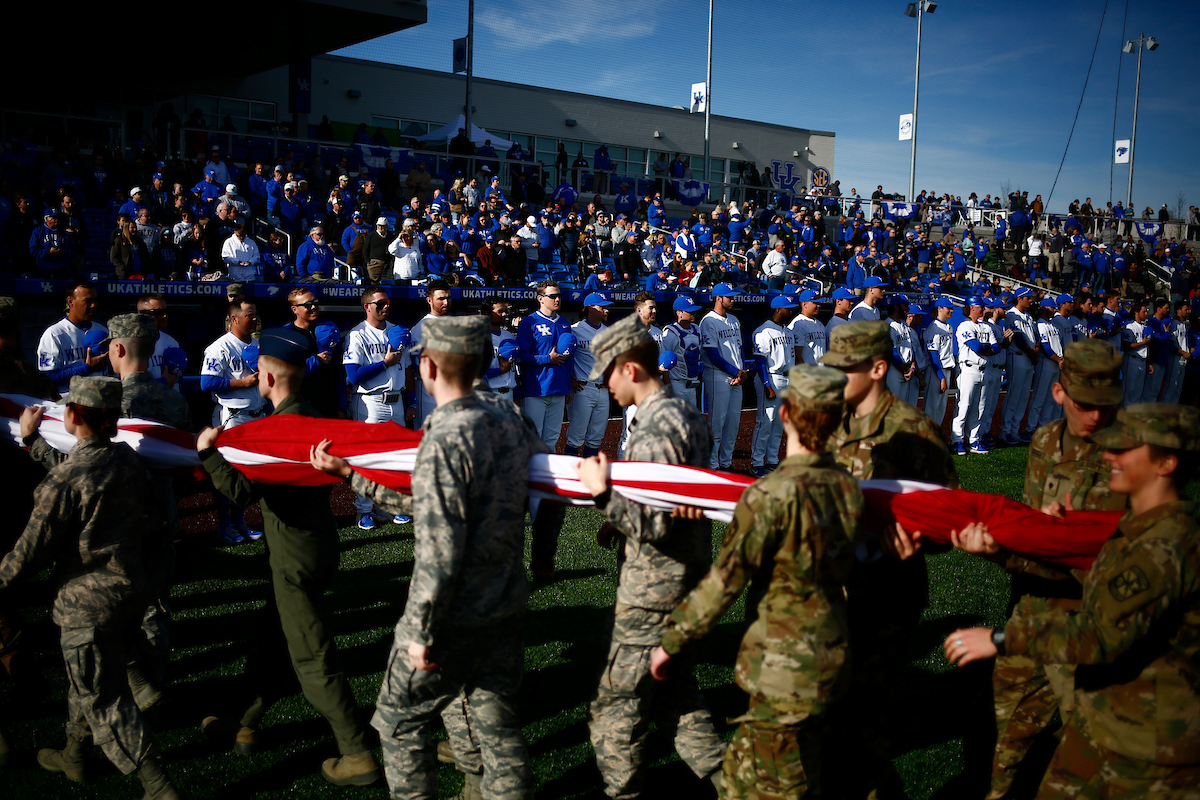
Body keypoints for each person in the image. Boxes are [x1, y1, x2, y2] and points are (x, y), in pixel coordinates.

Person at [312, 316, 542, 799]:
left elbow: (440, 542)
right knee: (494, 726)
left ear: (429, 365)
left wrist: (420, 630)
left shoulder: (446, 434)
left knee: (396, 722)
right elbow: (543, 490)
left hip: (454, 613)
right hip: (505, 599)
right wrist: (353, 476)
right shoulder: (510, 417)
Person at [945, 403, 1200, 799]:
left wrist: (998, 639)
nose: (1109, 455)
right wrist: (1009, 549)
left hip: (1149, 748)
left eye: (1125, 449)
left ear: (1166, 463)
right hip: (1106, 724)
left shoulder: (1165, 545)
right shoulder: (1136, 528)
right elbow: (1085, 574)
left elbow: (1099, 635)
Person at [651, 365, 863, 799]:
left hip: (784, 661)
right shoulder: (848, 485)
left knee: (776, 783)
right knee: (800, 764)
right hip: (836, 646)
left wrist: (671, 641)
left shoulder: (770, 494)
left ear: (785, 415)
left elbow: (726, 580)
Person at [197, 328, 381, 787]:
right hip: (316, 545)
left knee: (313, 658)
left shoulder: (276, 431)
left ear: (266, 375)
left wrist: (208, 453)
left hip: (293, 555)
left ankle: (356, 752)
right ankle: (245, 722)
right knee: (274, 638)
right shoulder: (313, 418)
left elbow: (241, 491)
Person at [956, 340, 1128, 799]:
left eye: (1106, 405)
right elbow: (1037, 532)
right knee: (997, 737)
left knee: (1105, 756)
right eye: (1084, 405)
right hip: (1033, 612)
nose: (1095, 417)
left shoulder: (1133, 454)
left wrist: (1006, 550)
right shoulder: (1047, 441)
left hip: (1097, 628)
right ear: (1058, 393)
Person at [3, 376, 183, 799]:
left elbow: (28, 553)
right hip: (132, 594)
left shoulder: (63, 483)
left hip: (86, 607)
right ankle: (75, 756)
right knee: (85, 679)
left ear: (70, 416)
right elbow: (85, 474)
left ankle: (159, 786)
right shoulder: (127, 459)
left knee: (103, 698)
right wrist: (36, 448)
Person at [573, 314, 726, 799]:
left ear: (631, 369)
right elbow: (670, 507)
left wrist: (603, 497)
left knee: (616, 709)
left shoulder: (657, 428)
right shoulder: (683, 414)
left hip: (654, 589)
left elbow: (656, 522)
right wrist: (616, 522)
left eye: (608, 373)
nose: (604, 384)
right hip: (685, 575)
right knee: (676, 699)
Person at [343, 287, 414, 530]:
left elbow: (409, 370)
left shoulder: (397, 330)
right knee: (368, 459)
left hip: (397, 400)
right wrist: (384, 363)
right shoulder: (357, 335)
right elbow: (353, 375)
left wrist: (412, 402)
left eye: (387, 302)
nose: (385, 306)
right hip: (370, 402)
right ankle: (363, 511)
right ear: (367, 307)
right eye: (379, 303)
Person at [200, 298, 266, 545]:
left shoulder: (258, 344)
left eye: (256, 314)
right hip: (233, 417)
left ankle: (240, 521)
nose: (255, 319)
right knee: (228, 473)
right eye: (250, 315)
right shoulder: (220, 347)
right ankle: (224, 525)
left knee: (249, 473)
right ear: (234, 319)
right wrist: (241, 383)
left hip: (257, 415)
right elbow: (206, 383)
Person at [516, 280, 572, 451]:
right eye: (552, 296)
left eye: (559, 296)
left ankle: (548, 477)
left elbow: (570, 359)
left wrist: (568, 385)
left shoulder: (564, 323)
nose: (557, 300)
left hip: (559, 388)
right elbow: (520, 357)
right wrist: (548, 359)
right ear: (540, 298)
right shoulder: (529, 322)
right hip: (536, 389)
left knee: (552, 439)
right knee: (533, 438)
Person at [700, 283, 751, 471]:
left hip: (736, 376)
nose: (733, 299)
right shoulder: (708, 321)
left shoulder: (734, 320)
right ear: (718, 298)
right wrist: (735, 371)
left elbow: (739, 350)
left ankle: (726, 464)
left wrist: (742, 371)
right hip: (717, 374)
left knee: (733, 424)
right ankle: (712, 465)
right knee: (717, 423)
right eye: (730, 297)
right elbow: (712, 354)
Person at [750, 295, 798, 477]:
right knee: (765, 422)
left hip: (786, 379)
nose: (791, 310)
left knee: (779, 423)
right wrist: (766, 384)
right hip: (771, 377)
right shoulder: (763, 331)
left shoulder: (788, 331)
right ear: (778, 309)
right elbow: (760, 361)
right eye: (788, 308)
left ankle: (772, 460)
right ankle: (756, 462)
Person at [952, 297, 1001, 456]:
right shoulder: (964, 325)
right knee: (963, 406)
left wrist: (984, 348)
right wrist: (985, 348)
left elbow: (996, 348)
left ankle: (974, 439)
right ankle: (957, 440)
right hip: (968, 369)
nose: (984, 309)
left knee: (980, 407)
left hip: (983, 369)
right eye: (981, 307)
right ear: (972, 308)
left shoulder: (986, 327)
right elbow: (976, 346)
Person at [566, 292, 612, 458]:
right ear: (590, 309)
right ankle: (570, 477)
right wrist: (569, 379)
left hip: (603, 389)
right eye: (602, 307)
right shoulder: (575, 330)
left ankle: (589, 477)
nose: (606, 310)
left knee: (596, 438)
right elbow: (565, 358)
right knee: (576, 437)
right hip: (583, 388)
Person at [409, 279, 453, 430]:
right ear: (429, 300)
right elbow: (415, 365)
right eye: (441, 299)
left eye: (448, 298)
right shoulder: (421, 328)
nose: (446, 303)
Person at [1001, 288, 1040, 445]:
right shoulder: (1011, 314)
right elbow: (1016, 337)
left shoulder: (1028, 316)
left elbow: (1035, 336)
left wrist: (1035, 349)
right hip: (1017, 356)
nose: (1031, 300)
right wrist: (1032, 352)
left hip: (1028, 358)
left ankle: (1015, 430)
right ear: (1019, 298)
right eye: (1028, 298)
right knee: (1013, 395)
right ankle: (1005, 431)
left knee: (1023, 396)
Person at [660, 295, 704, 409]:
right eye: (689, 311)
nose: (693, 313)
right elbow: (663, 363)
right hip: (677, 384)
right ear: (678, 312)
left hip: (692, 384)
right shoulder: (671, 333)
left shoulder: (696, 329)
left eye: (694, 311)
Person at [1121, 300, 1152, 406]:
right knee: (1130, 389)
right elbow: (1127, 346)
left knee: (1138, 390)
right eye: (1144, 311)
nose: (1146, 313)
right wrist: (1143, 343)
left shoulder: (1145, 326)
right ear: (1136, 313)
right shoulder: (1130, 326)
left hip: (1143, 360)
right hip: (1132, 360)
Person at [788, 289, 826, 366]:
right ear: (804, 304)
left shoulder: (820, 324)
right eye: (815, 303)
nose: (819, 306)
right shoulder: (798, 324)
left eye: (819, 303)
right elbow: (796, 355)